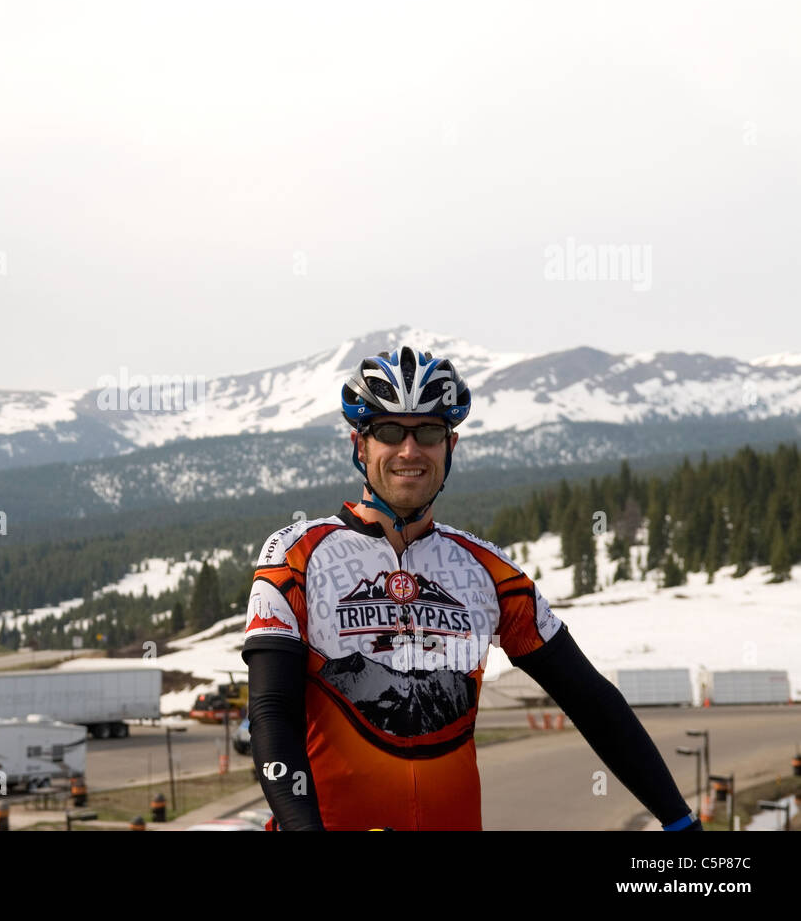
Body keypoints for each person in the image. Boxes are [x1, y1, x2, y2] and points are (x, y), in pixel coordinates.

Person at [242, 345, 701, 831]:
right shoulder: (294, 555)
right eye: (390, 432)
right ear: (361, 447)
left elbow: (592, 702)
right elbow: (272, 714)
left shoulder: (488, 570)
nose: (409, 450)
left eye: (430, 433)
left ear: (451, 447)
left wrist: (680, 823)